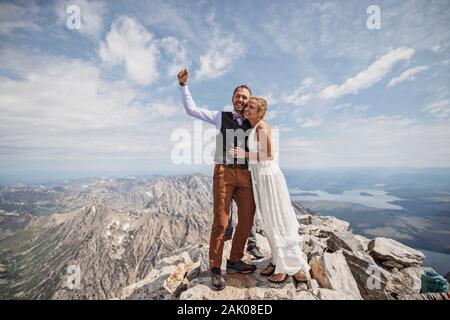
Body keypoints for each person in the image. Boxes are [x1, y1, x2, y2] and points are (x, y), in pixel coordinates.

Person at [177, 68, 257, 291]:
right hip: (223, 172)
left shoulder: (253, 122)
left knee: (247, 219)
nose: (241, 99)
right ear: (233, 98)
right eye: (238, 96)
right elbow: (191, 110)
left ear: (249, 101)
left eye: (245, 97)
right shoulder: (220, 117)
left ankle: (234, 262)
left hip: (246, 174)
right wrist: (184, 86)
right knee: (221, 222)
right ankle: (215, 268)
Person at [230, 96, 310, 283]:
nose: (247, 108)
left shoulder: (263, 127)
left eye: (252, 107)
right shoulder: (254, 127)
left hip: (268, 177)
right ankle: (276, 259)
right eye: (247, 106)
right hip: (261, 177)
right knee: (268, 220)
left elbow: (269, 154)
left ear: (259, 112)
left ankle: (285, 266)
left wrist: (244, 154)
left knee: (275, 218)